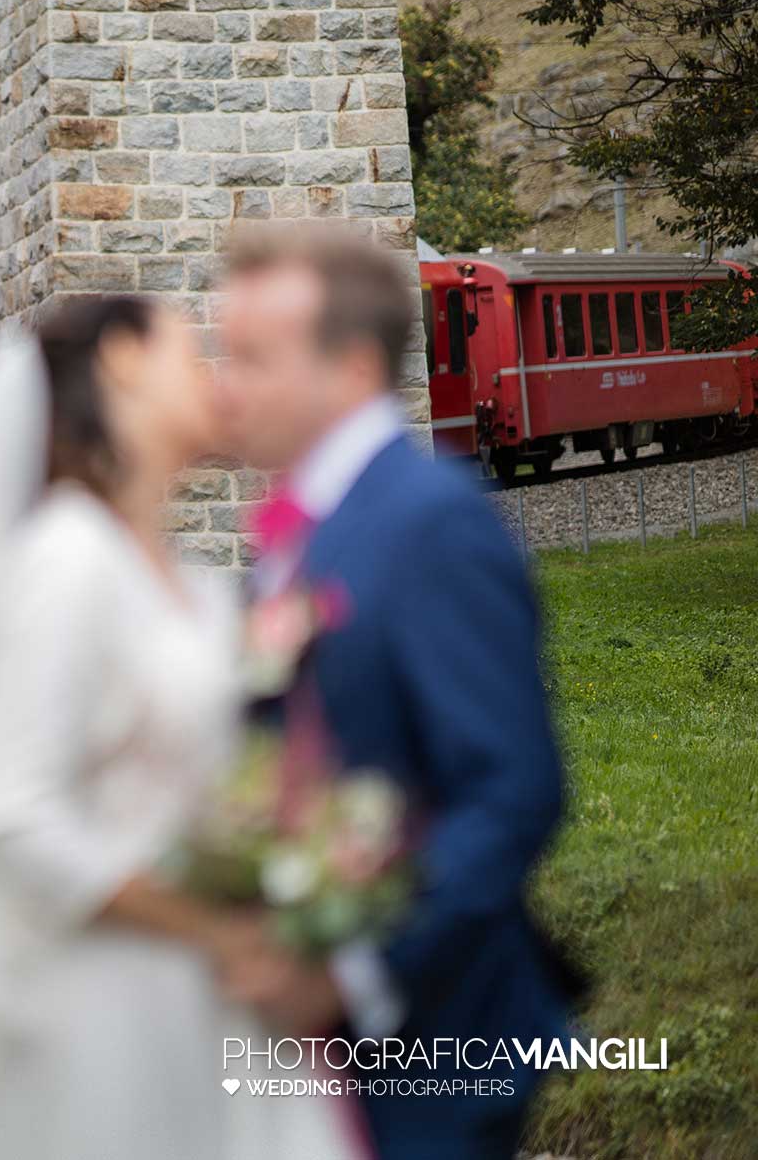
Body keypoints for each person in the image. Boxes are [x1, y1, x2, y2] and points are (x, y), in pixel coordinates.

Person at [0, 296, 360, 1160]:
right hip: (116, 1007)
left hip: (217, 1004)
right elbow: (11, 815)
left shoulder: (197, 582)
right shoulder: (67, 562)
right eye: (193, 351)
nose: (216, 377)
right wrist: (219, 930)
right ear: (122, 361)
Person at [216, 233, 571, 1160]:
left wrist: (352, 969)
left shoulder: (431, 519)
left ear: (354, 366)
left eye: (253, 359)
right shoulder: (297, 532)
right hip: (311, 1044)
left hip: (433, 1040)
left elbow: (512, 791)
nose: (226, 388)